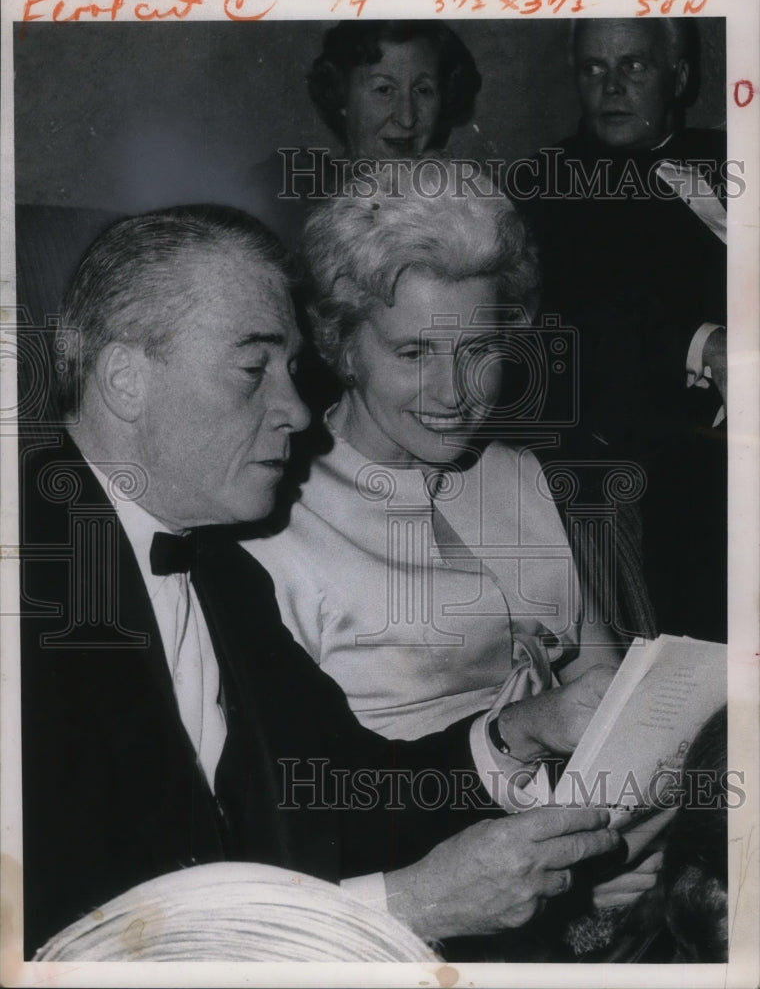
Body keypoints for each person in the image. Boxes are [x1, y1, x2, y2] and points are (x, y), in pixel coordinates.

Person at [19, 204, 621, 960]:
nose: (298, 409)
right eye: (253, 369)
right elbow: (75, 949)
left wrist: (514, 736)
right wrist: (407, 905)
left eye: (291, 368)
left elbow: (344, 787)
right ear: (125, 379)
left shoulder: (223, 573)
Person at [245, 163, 623, 742]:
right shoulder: (278, 519)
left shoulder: (520, 472)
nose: (453, 394)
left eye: (478, 349)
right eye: (413, 354)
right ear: (343, 347)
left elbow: (607, 684)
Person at [511, 18, 728, 642]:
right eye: (593, 69)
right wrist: (706, 346)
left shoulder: (734, 155)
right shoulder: (545, 185)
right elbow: (592, 321)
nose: (611, 88)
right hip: (668, 459)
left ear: (680, 76)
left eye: (634, 66)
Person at [246, 20, 481, 249]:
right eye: (384, 89)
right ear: (341, 95)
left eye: (423, 90)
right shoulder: (284, 196)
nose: (407, 118)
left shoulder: (467, 209)